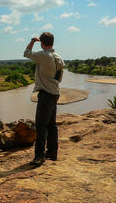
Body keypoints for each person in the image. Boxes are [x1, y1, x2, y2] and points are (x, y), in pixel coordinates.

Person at [24, 32, 65, 166]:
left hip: (45, 93)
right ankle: (52, 153)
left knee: (41, 125)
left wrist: (32, 41)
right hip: (54, 92)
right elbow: (59, 78)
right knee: (51, 124)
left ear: (42, 42)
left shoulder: (43, 55)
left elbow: (27, 53)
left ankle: (39, 157)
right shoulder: (59, 58)